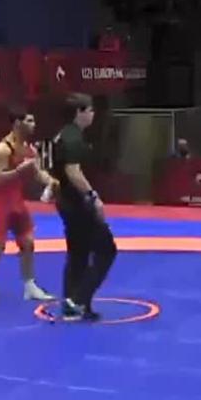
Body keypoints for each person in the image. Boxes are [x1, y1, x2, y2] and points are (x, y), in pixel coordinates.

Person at [50, 93, 117, 322]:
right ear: (79, 112)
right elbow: (72, 171)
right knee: (106, 250)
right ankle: (78, 300)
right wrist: (92, 196)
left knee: (78, 253)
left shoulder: (63, 135)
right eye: (90, 110)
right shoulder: (73, 138)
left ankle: (73, 305)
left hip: (67, 203)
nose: (93, 114)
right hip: (79, 204)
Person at [0, 107, 59, 305]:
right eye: (29, 121)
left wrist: (51, 182)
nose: (34, 125)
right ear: (18, 123)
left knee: (28, 243)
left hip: (17, 201)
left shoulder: (29, 149)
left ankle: (29, 286)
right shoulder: (3, 149)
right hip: (0, 204)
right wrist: (19, 171)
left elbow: (37, 172)